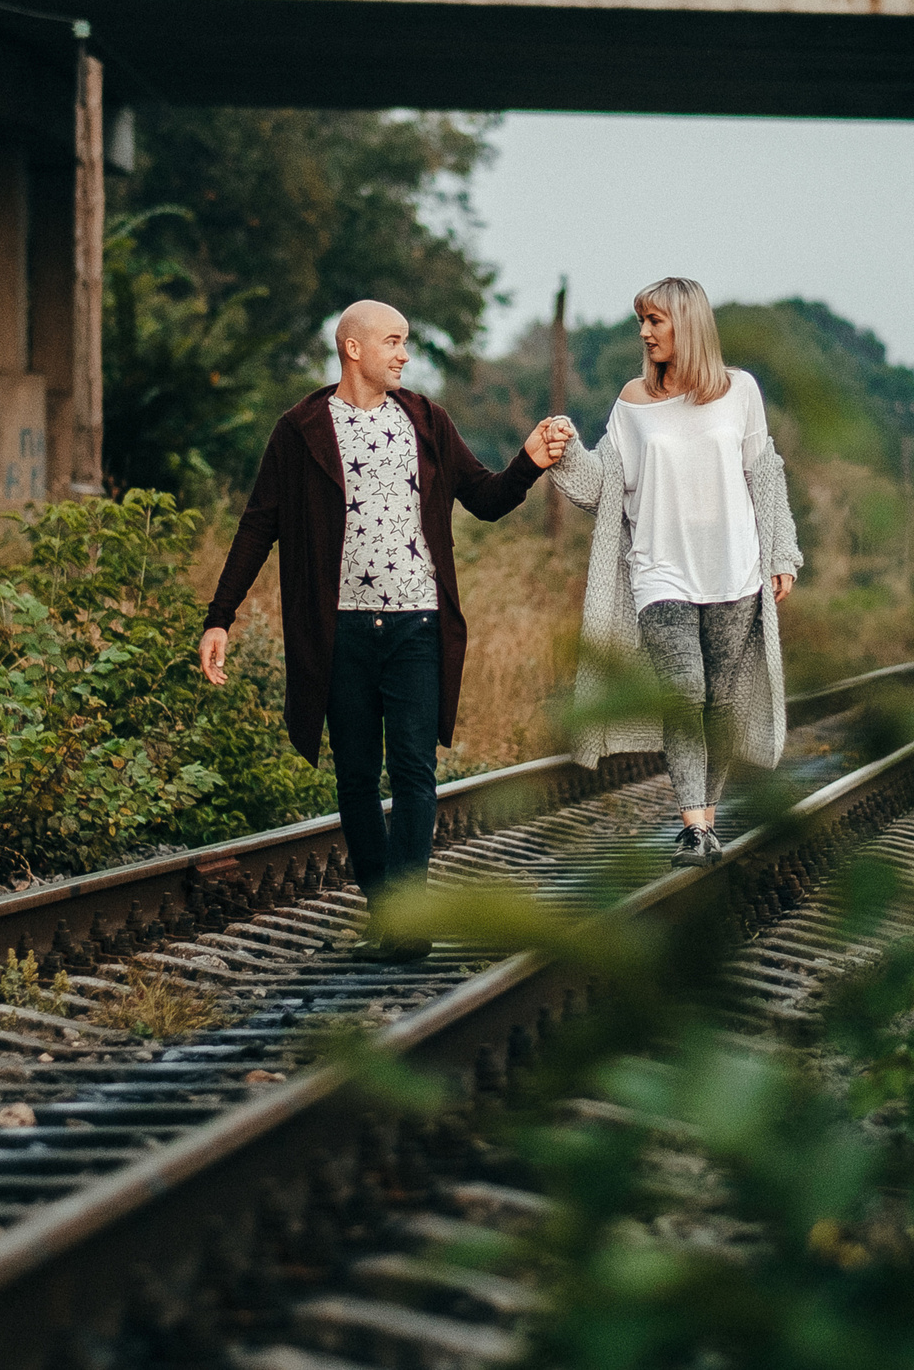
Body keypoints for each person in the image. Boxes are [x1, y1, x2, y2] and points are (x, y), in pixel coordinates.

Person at [199, 300, 575, 961]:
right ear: (353, 349)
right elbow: (261, 521)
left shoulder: (427, 420)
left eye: (405, 343)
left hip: (416, 625)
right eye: (394, 342)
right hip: (338, 633)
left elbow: (484, 498)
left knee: (413, 769)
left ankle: (407, 921)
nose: (404, 354)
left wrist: (529, 461)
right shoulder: (302, 430)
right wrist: (220, 615)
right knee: (355, 779)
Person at [553, 277, 802, 869]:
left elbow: (764, 475)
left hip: (734, 570)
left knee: (722, 703)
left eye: (654, 321)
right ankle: (692, 826)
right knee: (683, 695)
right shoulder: (633, 402)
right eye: (642, 321)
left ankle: (708, 820)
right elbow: (602, 489)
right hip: (658, 573)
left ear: (686, 324)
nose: (644, 332)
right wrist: (564, 452)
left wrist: (781, 554)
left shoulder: (740, 391)